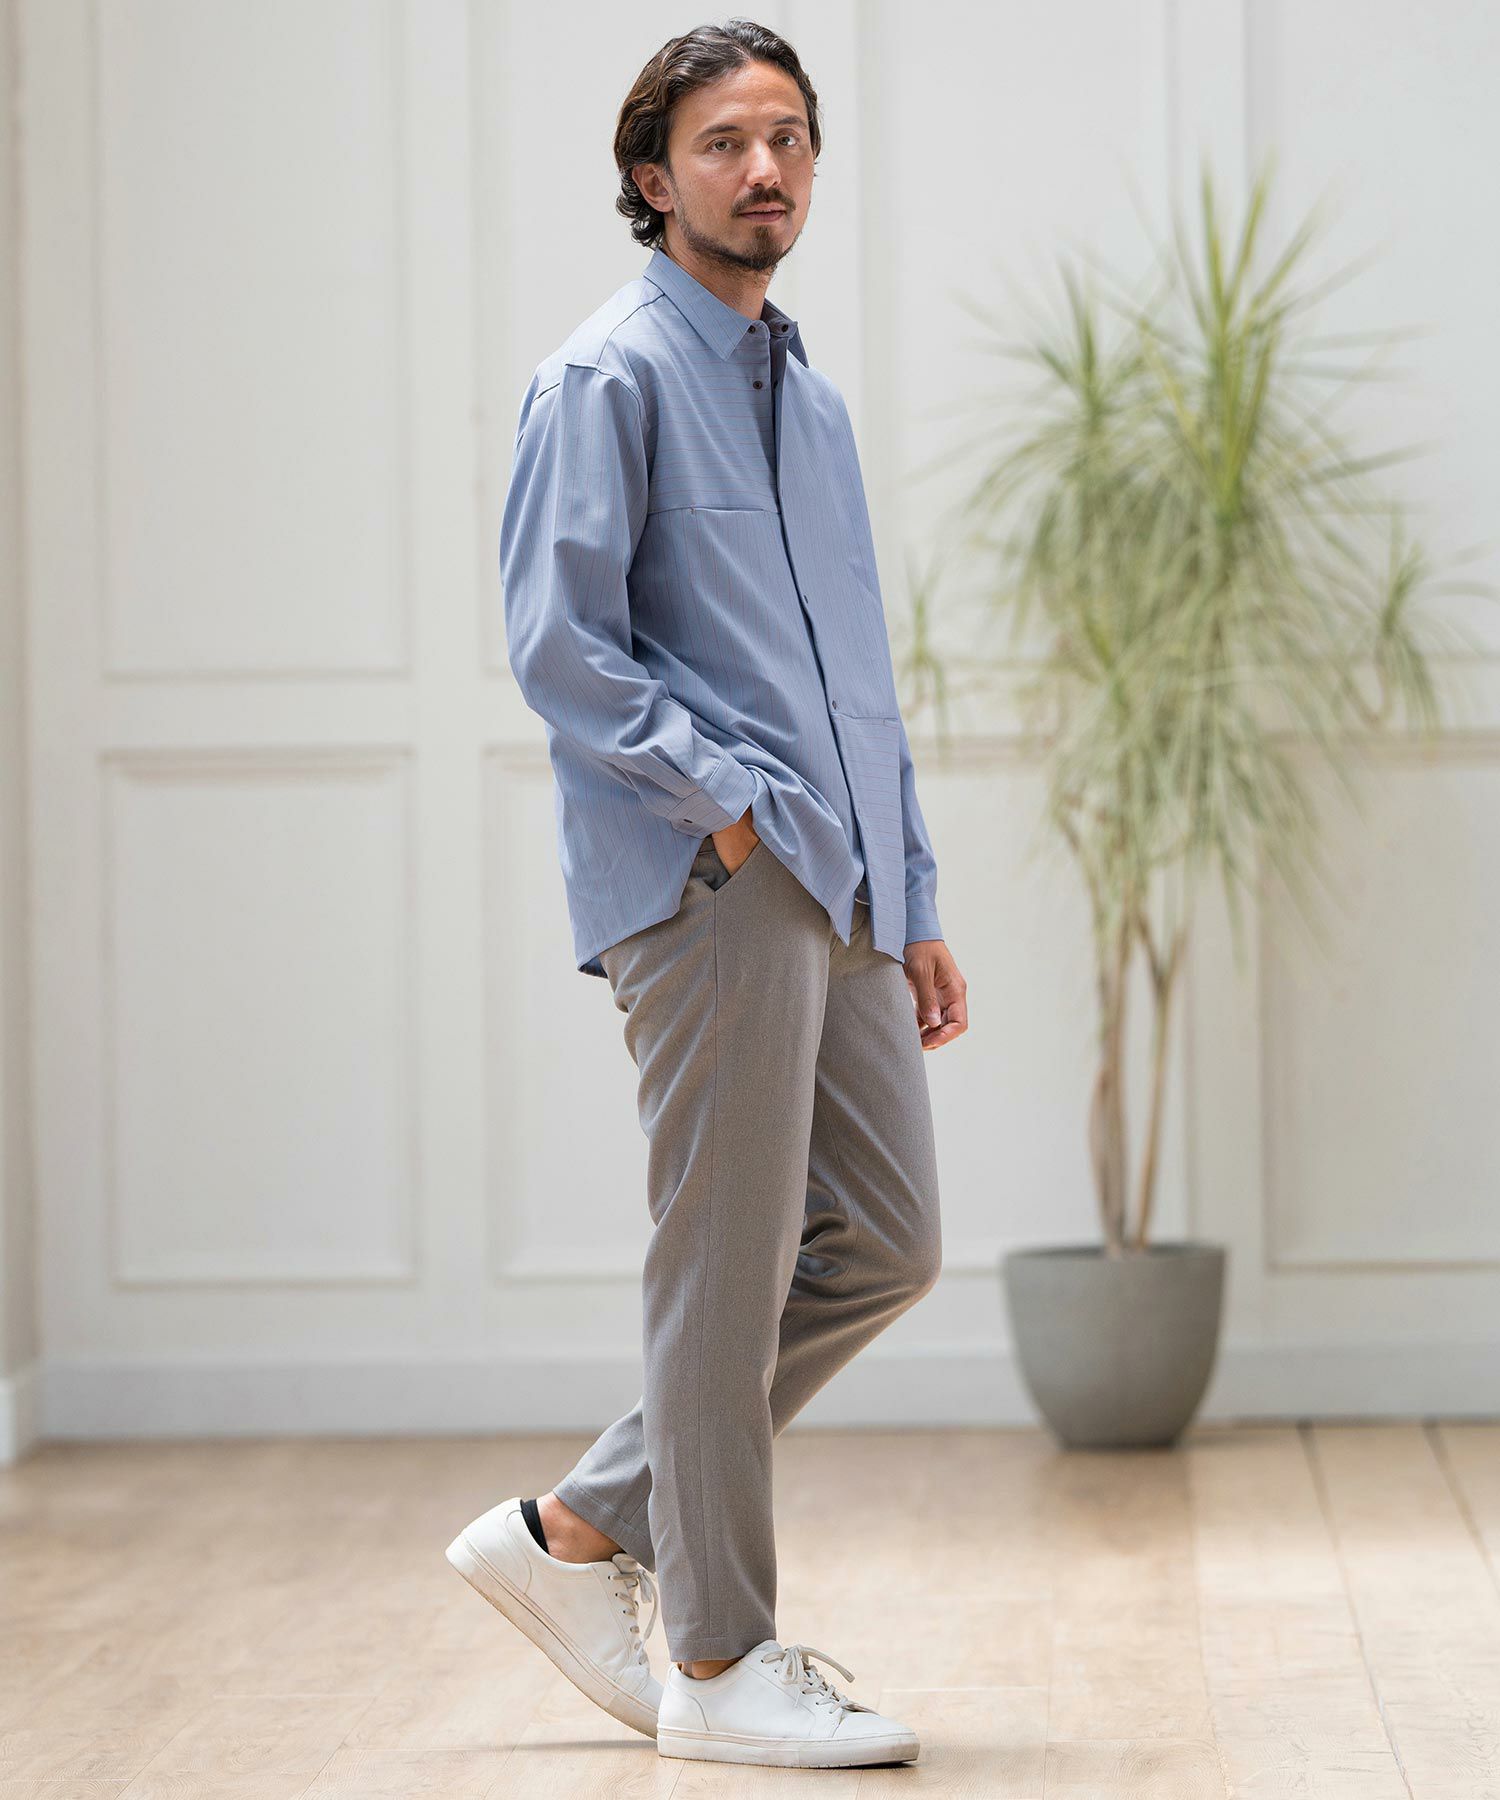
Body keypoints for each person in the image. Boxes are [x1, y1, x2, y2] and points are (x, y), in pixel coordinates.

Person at [445, 17, 967, 1771]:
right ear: (652, 177)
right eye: (727, 142)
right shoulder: (602, 379)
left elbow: (858, 679)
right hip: (714, 874)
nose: (766, 169)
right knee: (724, 1271)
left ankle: (578, 1528)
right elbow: (560, 646)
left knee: (887, 1242)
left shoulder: (807, 401)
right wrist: (730, 811)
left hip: (843, 881)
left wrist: (913, 892)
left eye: (791, 137)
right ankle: (723, 1663)